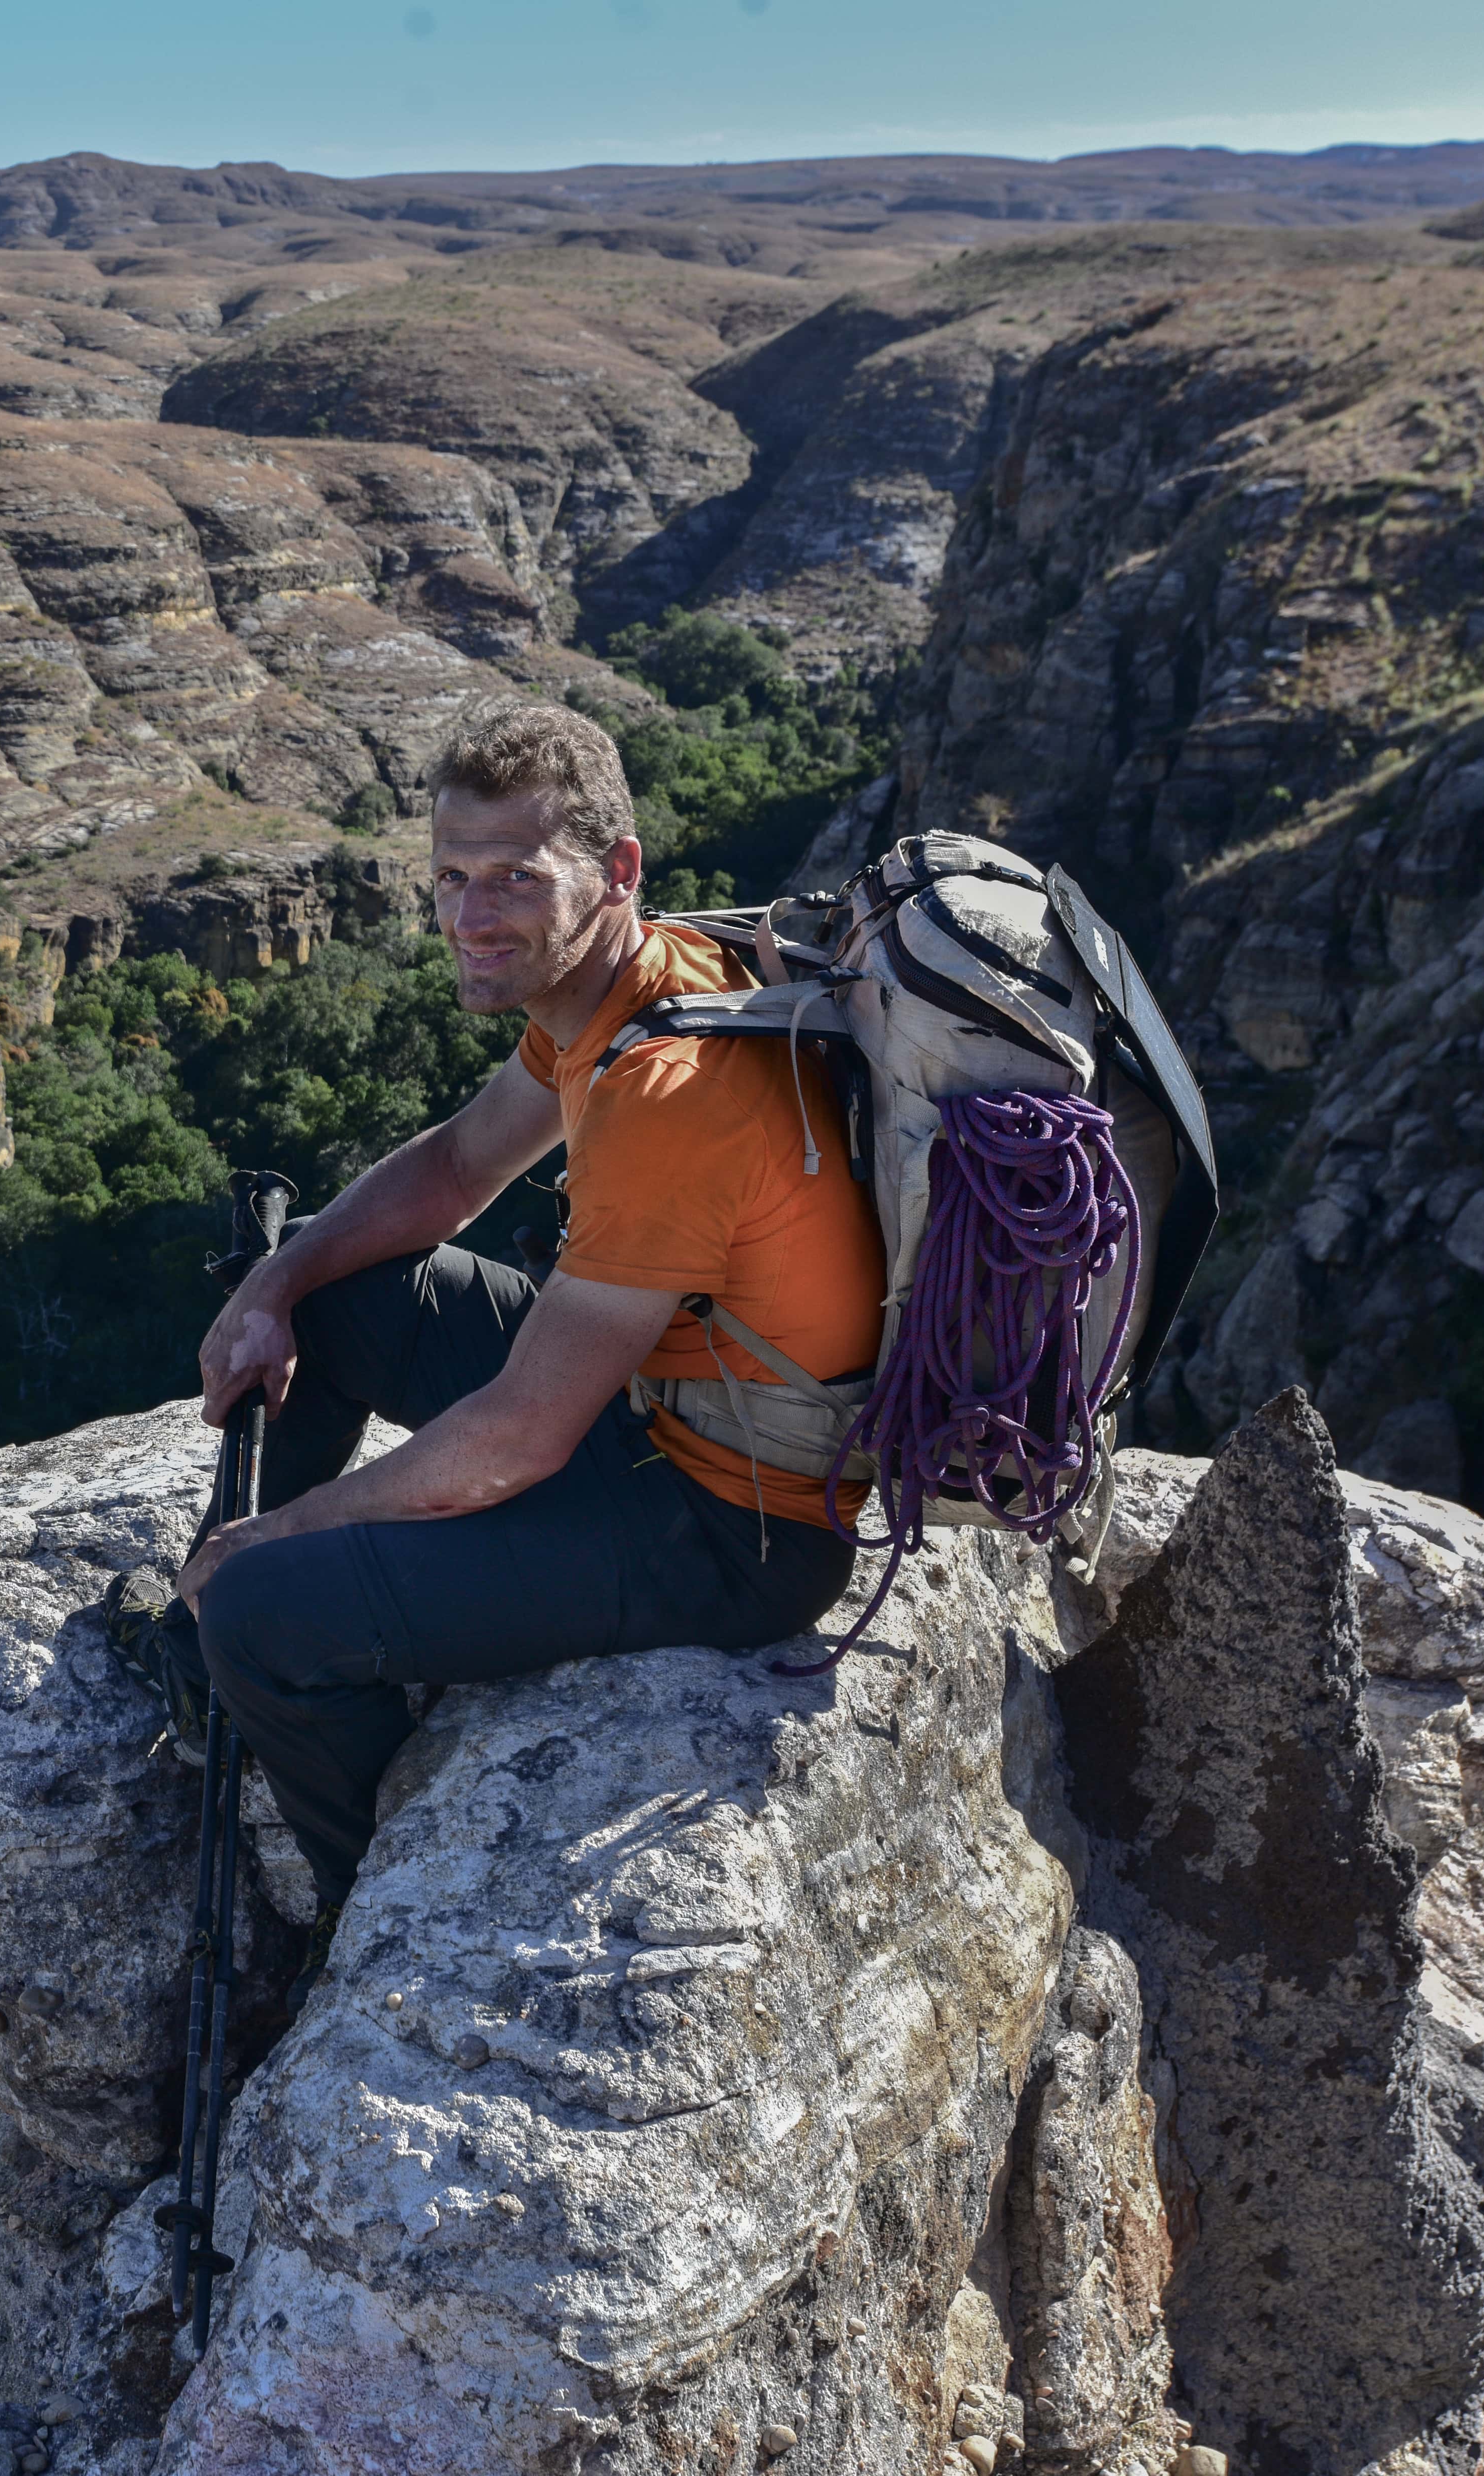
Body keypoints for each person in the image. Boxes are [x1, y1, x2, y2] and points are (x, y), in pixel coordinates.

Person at [173, 703, 880, 1914]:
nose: (469, 915)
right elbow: (454, 1169)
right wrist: (273, 1281)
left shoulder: (669, 1090)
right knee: (346, 1288)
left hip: (726, 1526)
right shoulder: (637, 984)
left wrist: (273, 1543)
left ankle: (365, 1906)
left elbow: (514, 1441)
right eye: (450, 876)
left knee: (253, 1610)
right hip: (656, 1407)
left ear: (616, 872)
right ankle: (252, 1657)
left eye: (512, 877)